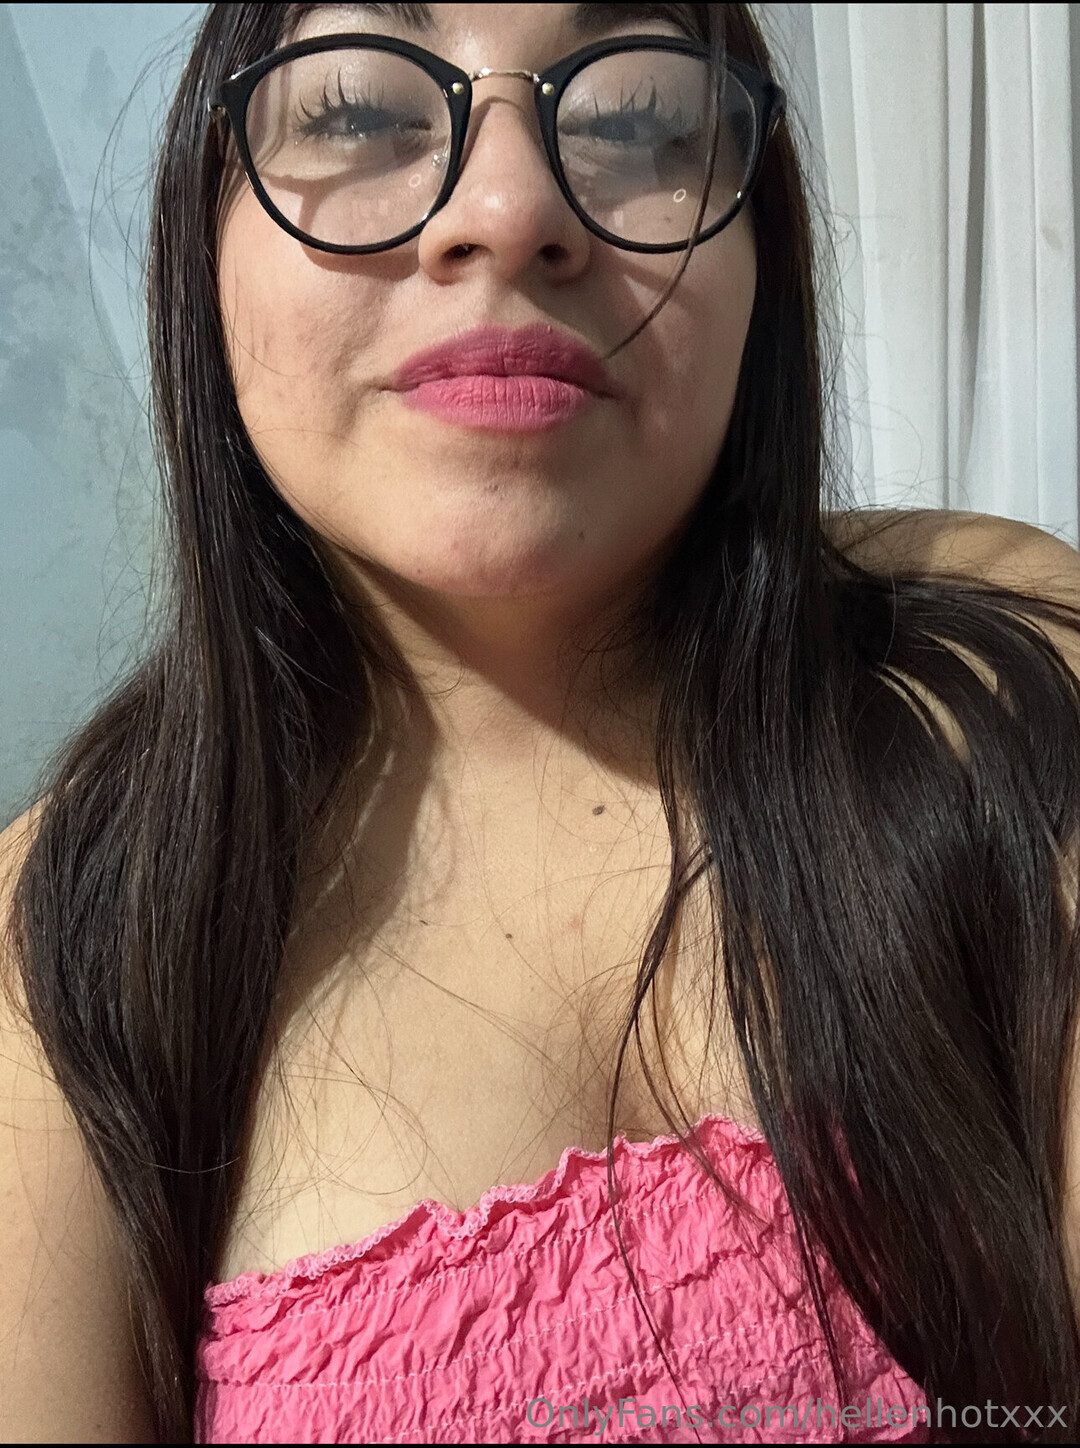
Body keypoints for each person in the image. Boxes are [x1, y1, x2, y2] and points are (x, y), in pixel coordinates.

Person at [4, 2, 1080, 1441]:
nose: (508, 212)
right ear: (205, 244)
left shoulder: (999, 675)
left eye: (639, 119)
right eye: (357, 112)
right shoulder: (62, 946)